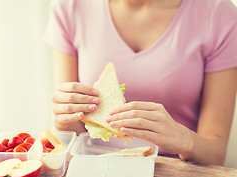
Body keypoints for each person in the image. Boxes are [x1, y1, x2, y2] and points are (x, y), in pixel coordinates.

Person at [43, 0, 237, 165]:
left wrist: (181, 138)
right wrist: (63, 120)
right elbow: (73, 132)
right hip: (96, 168)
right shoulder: (71, 6)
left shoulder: (219, 14)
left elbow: (215, 153)